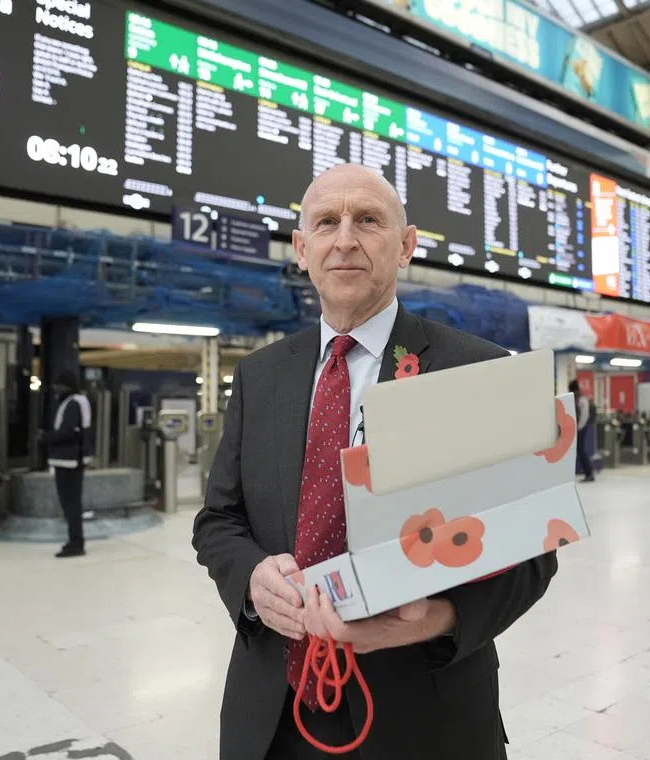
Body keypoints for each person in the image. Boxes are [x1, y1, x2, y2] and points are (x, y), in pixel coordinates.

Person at [191, 163, 560, 760]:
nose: (345, 240)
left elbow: (534, 552)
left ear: (406, 245)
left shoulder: (478, 371)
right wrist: (252, 579)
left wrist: (438, 618)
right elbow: (218, 522)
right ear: (302, 249)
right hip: (272, 714)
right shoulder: (259, 377)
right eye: (326, 223)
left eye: (368, 220)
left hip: (424, 716)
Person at [44, 370, 93, 558]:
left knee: (70, 503)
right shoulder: (77, 401)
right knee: (71, 503)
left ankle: (76, 542)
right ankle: (75, 540)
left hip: (69, 460)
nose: (57, 389)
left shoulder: (73, 403)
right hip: (71, 459)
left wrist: (48, 438)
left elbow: (69, 432)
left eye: (59, 385)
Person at [569, 378, 595, 483]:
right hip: (579, 428)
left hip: (581, 428)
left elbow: (584, 415)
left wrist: (579, 428)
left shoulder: (581, 400)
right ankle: (588, 473)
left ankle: (589, 473)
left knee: (581, 451)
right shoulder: (577, 398)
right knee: (580, 451)